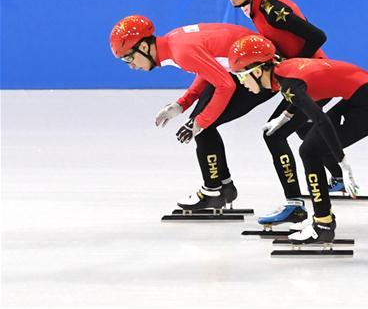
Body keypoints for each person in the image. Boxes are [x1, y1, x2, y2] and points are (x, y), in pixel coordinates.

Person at [228, 33, 368, 244]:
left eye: (242, 76)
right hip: (361, 96)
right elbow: (304, 90)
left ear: (259, 70)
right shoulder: (283, 72)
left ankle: (323, 224)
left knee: (310, 151)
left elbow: (321, 119)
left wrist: (342, 163)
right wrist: (284, 117)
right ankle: (322, 220)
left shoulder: (288, 83)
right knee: (311, 148)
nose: (242, 83)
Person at [219, 0, 345, 227]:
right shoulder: (255, 9)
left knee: (273, 134)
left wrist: (292, 64)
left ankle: (295, 205)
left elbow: (317, 35)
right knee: (300, 128)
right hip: (308, 76)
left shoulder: (270, 9)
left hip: (313, 79)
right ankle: (338, 179)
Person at [109, 15, 272, 210]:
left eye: (128, 58)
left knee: (203, 127)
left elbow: (225, 85)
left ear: (144, 47)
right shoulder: (174, 41)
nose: (131, 66)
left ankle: (213, 191)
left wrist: (199, 122)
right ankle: (224, 186)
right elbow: (209, 69)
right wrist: (181, 104)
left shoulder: (180, 52)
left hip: (259, 73)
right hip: (245, 66)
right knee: (201, 124)